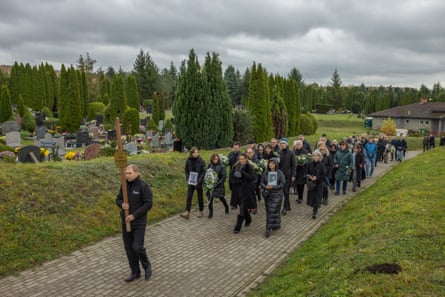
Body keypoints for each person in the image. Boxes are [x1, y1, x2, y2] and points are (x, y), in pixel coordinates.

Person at [116, 164, 153, 282]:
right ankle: (135, 272)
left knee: (137, 247)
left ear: (136, 173)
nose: (127, 175)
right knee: (129, 248)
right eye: (126, 173)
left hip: (139, 222)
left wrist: (134, 215)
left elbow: (148, 204)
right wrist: (121, 204)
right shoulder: (124, 185)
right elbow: (118, 199)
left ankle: (147, 265)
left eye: (129, 173)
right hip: (126, 221)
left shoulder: (143, 186)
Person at [230, 153, 256, 234]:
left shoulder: (249, 167)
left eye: (243, 159)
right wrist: (233, 181)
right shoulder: (236, 167)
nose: (241, 161)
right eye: (240, 159)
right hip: (237, 190)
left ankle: (237, 227)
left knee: (242, 208)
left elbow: (251, 178)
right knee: (242, 207)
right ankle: (248, 219)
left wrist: (243, 172)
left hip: (246, 191)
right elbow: (232, 176)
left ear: (246, 159)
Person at [260, 158, 285, 237]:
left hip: (277, 195)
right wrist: (266, 186)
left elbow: (282, 184)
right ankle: (275, 225)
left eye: (273, 163)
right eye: (270, 163)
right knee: (269, 211)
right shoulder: (266, 173)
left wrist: (273, 187)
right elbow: (261, 183)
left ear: (276, 164)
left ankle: (268, 228)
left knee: (273, 210)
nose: (271, 165)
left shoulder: (280, 173)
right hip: (268, 195)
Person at [181, 147, 206, 219]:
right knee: (189, 196)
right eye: (194, 152)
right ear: (191, 153)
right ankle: (187, 212)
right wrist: (187, 178)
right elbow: (186, 170)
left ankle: (201, 211)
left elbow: (203, 172)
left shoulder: (201, 161)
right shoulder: (188, 160)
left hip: (198, 182)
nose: (196, 154)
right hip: (191, 181)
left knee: (200, 197)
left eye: (197, 152)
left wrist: (199, 181)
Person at [206, 154, 229, 218]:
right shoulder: (210, 165)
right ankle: (210, 213)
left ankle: (226, 206)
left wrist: (218, 183)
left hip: (219, 185)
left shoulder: (222, 166)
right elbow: (207, 173)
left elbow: (224, 176)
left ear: (218, 159)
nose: (215, 160)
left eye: (216, 159)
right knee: (210, 199)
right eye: (213, 159)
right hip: (211, 186)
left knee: (221, 198)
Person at [306, 150, 326, 219]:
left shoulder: (321, 165)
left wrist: (317, 178)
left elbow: (323, 175)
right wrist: (309, 176)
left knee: (317, 197)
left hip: (319, 184)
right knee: (312, 197)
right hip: (311, 183)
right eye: (314, 156)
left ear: (319, 157)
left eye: (316, 156)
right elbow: (307, 172)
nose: (315, 157)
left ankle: (315, 212)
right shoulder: (310, 164)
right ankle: (313, 208)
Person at [278, 138, 296, 215]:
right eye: (281, 144)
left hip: (288, 175)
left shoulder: (291, 153)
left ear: (287, 144)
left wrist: (293, 175)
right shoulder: (279, 153)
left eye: (284, 144)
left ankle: (285, 208)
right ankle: (288, 206)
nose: (282, 145)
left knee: (286, 191)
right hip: (281, 175)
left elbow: (294, 165)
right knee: (284, 192)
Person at [228, 142, 241, 209]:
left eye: (236, 148)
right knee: (232, 188)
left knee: (237, 188)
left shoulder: (241, 155)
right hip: (232, 173)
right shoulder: (230, 154)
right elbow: (228, 162)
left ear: (239, 148)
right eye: (234, 148)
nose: (235, 149)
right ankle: (236, 203)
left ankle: (234, 204)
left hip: (238, 173)